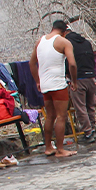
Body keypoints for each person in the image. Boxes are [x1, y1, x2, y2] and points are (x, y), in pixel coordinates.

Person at [28, 20, 78, 159]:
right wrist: (74, 81)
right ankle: (60, 149)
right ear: (64, 32)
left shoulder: (40, 41)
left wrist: (38, 81)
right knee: (62, 116)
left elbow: (32, 63)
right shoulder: (64, 42)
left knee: (50, 116)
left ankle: (48, 147)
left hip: (45, 84)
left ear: (53, 28)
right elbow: (72, 64)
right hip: (58, 83)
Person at [64, 24, 96, 144]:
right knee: (90, 106)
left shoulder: (66, 43)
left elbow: (69, 62)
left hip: (78, 78)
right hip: (91, 77)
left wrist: (70, 77)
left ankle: (88, 133)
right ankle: (93, 129)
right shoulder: (86, 42)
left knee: (80, 107)